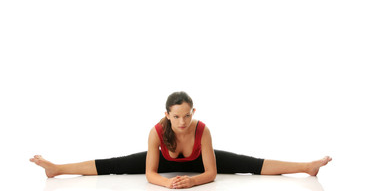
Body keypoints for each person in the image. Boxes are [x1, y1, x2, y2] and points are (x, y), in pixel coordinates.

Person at [30, 91, 332, 189]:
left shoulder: (203, 130)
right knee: (115, 165)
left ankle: (306, 166)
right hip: (166, 160)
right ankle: (56, 169)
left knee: (247, 163)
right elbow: (150, 173)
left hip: (200, 158)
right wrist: (170, 183)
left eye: (187, 115)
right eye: (177, 116)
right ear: (167, 115)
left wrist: (192, 181)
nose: (183, 121)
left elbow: (212, 174)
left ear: (193, 112)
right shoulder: (157, 133)